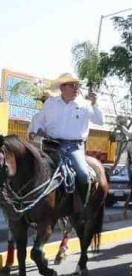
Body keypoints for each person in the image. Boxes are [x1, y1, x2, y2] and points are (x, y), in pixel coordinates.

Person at [31, 73, 104, 205]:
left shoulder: (86, 105)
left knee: (83, 175)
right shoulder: (50, 103)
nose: (76, 88)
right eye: (72, 85)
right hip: (50, 145)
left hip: (74, 148)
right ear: (62, 87)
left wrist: (95, 104)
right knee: (30, 168)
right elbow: (39, 120)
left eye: (78, 85)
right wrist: (34, 131)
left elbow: (100, 121)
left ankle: (82, 208)